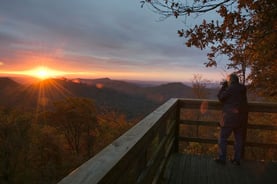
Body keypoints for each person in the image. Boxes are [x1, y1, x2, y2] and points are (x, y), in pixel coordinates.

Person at [214, 73, 248, 166]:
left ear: (231, 80)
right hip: (241, 118)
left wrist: (224, 86)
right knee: (238, 139)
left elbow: (220, 97)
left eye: (228, 80)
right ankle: (237, 159)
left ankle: (222, 158)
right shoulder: (243, 88)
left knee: (222, 138)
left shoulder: (230, 88)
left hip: (229, 118)